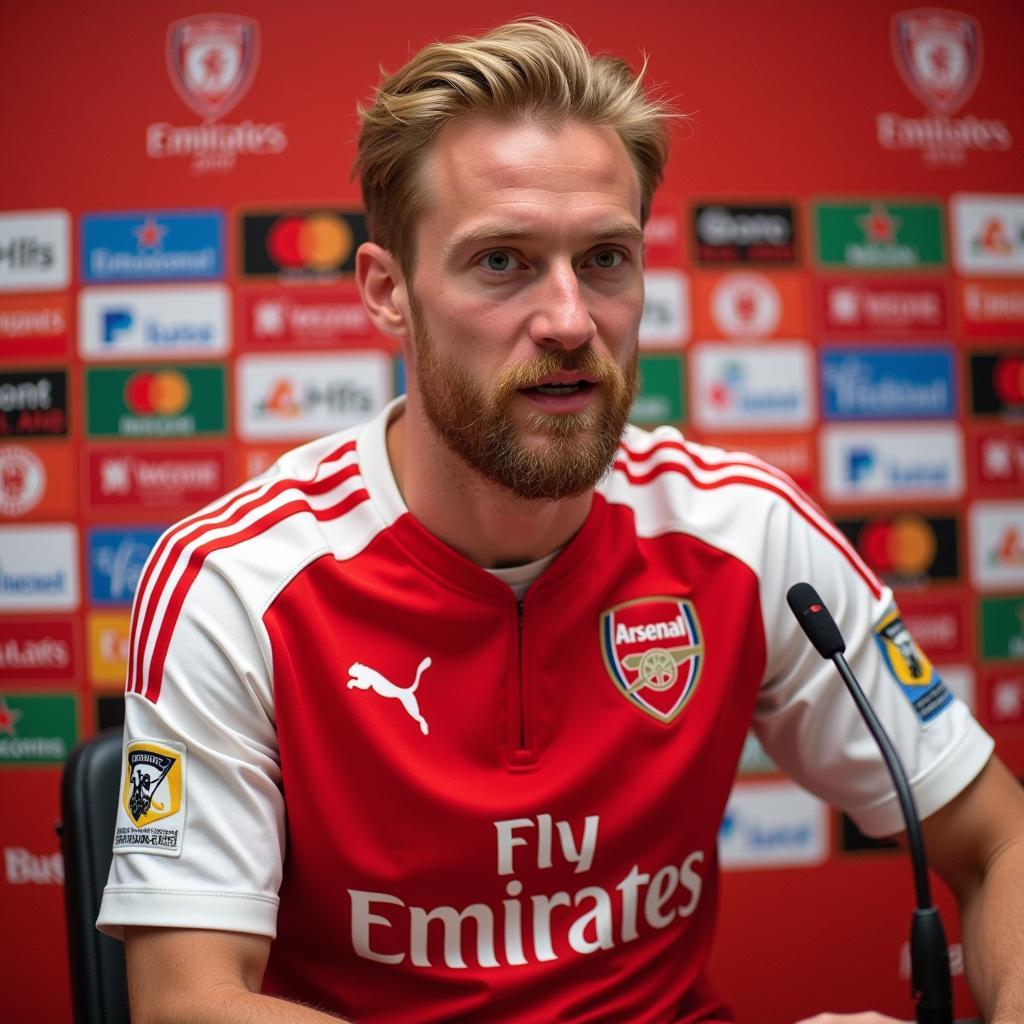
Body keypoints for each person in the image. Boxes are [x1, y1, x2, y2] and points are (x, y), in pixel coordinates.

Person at [97, 17, 1024, 1024]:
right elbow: (185, 999)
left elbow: (998, 839)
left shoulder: (743, 534)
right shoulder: (237, 583)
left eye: (605, 258)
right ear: (387, 292)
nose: (572, 319)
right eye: (501, 261)